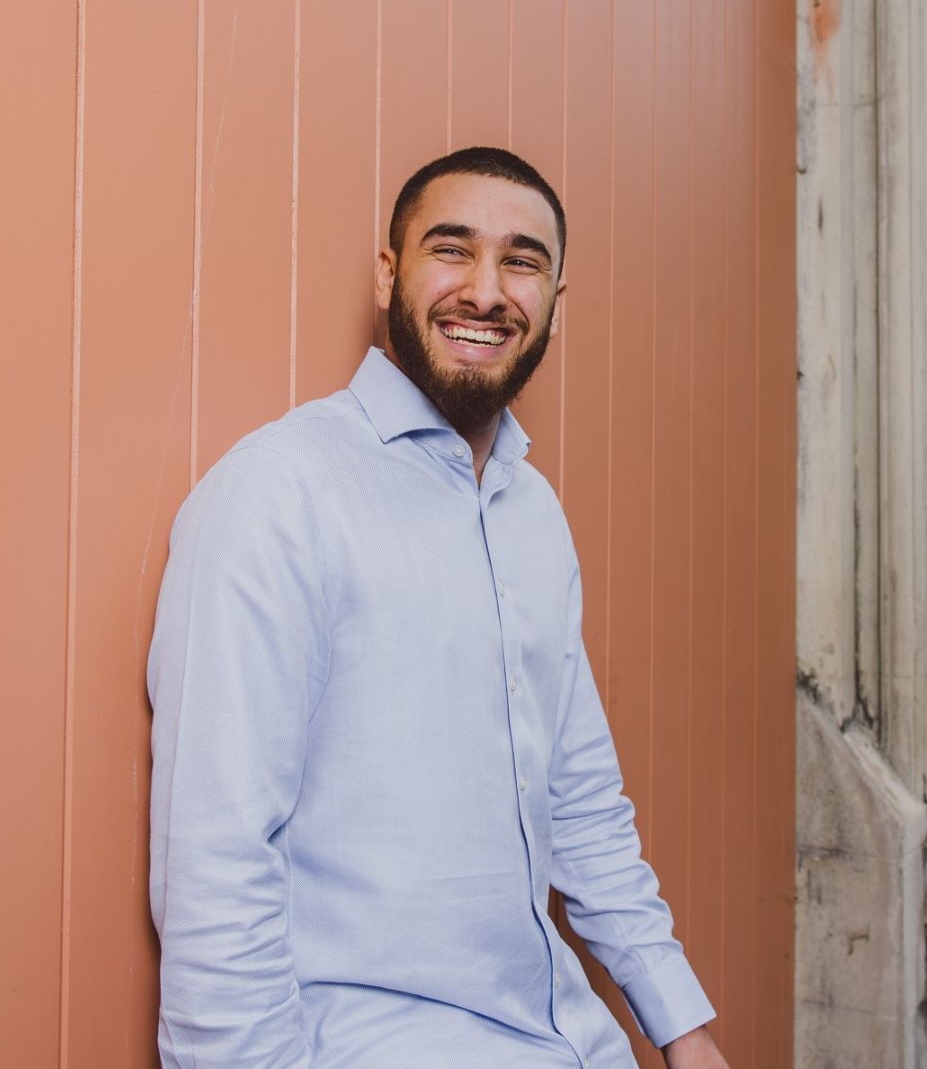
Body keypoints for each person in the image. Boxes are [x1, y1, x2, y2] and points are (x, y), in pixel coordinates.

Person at [147, 147, 729, 1068]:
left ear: (553, 302)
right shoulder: (281, 492)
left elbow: (581, 806)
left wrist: (683, 1029)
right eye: (451, 250)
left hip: (577, 1044)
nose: (488, 291)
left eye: (523, 261)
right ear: (390, 274)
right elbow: (216, 859)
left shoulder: (534, 513)